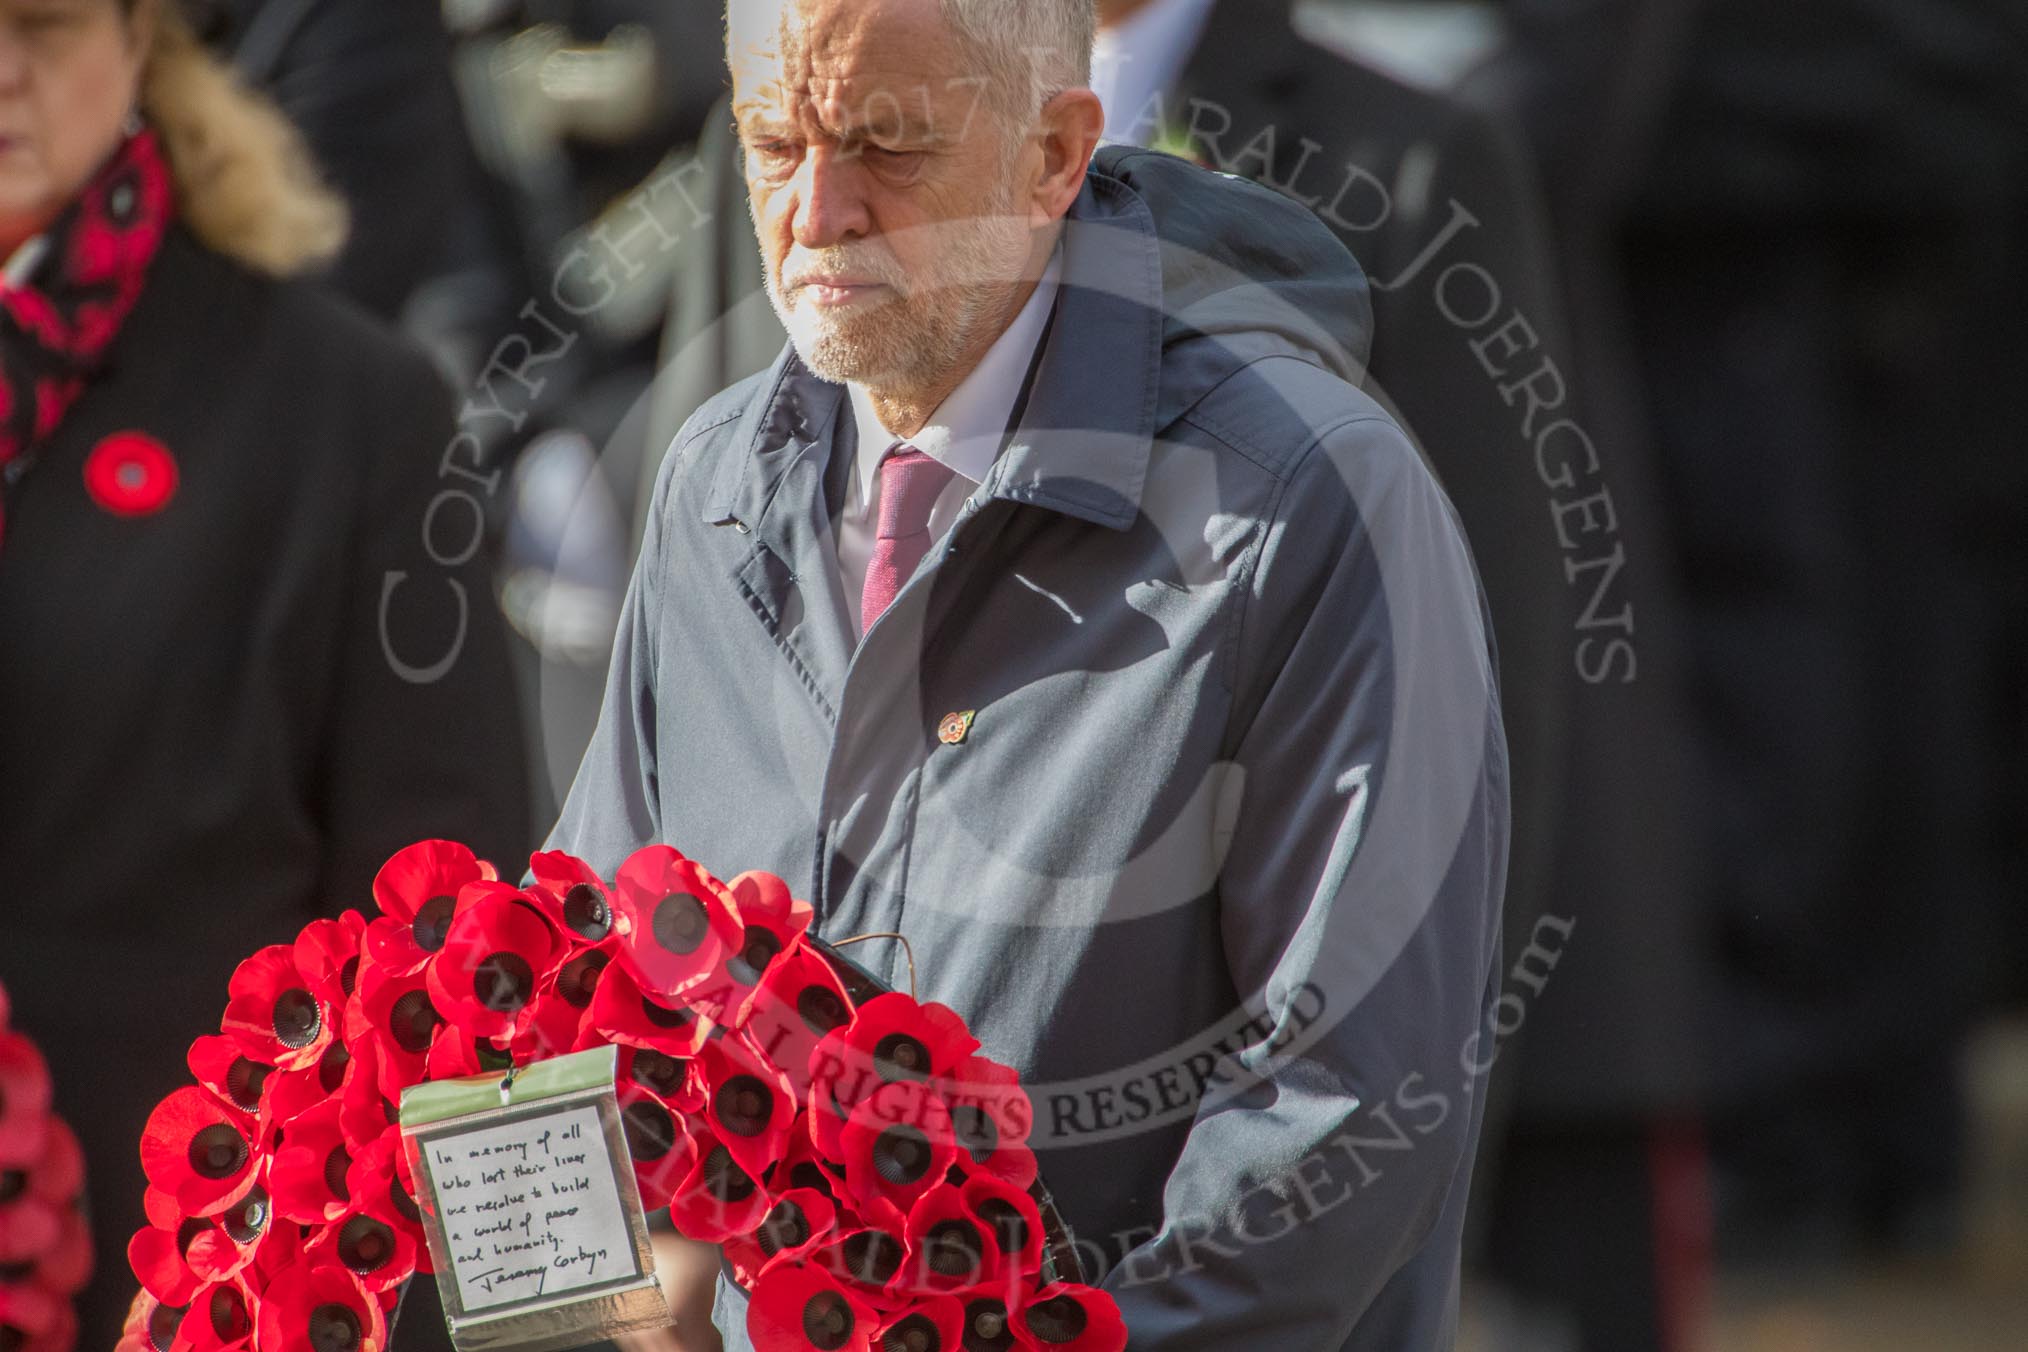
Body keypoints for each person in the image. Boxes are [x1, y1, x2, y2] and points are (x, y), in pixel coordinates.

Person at [550, 0, 1509, 1347]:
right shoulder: (716, 476)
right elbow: (582, 969)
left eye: (887, 146)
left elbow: (1340, 1123)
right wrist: (587, 1283)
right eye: (775, 142)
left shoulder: (1307, 502)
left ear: (1059, 152)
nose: (817, 211)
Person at [0, 3, 531, 1345]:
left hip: (187, 1285)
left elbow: (443, 961)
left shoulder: (354, 416)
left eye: (41, 22)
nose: (1, 70)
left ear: (138, 39)